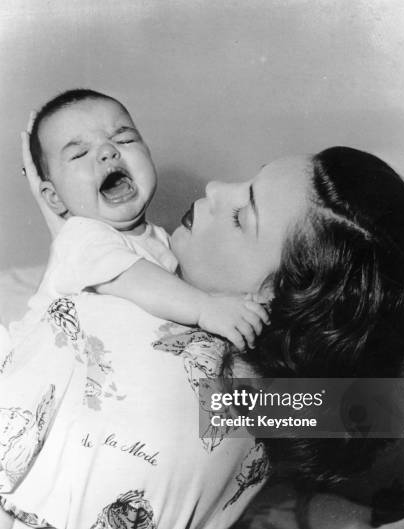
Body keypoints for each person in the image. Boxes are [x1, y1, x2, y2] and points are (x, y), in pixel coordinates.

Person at [0, 146, 404, 529]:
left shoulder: (151, 371)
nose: (213, 190)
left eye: (240, 215)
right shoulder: (275, 398)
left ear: (277, 293)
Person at [10, 89, 267, 351]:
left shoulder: (161, 239)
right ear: (53, 197)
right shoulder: (80, 237)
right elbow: (135, 277)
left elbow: (176, 290)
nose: (108, 152)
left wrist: (224, 300)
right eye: (79, 154)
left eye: (125, 140)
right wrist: (205, 307)